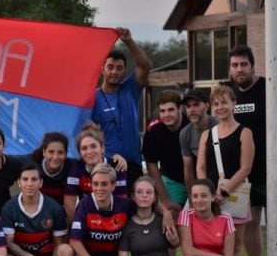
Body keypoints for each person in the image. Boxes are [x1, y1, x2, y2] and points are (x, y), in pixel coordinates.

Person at [196, 85, 253, 256]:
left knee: (236, 243)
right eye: (216, 103)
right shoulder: (207, 135)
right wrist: (207, 192)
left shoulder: (244, 133)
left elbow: (245, 167)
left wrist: (224, 191)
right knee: (210, 241)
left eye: (224, 103)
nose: (220, 107)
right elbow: (200, 166)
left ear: (233, 104)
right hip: (210, 197)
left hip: (234, 196)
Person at [1, 163, 68, 256]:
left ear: (41, 183)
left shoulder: (54, 208)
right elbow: (8, 242)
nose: (29, 184)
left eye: (34, 179)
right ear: (19, 182)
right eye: (25, 179)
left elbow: (59, 246)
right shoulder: (9, 208)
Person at [227, 45, 267, 256]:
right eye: (234, 65)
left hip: (273, 170)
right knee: (250, 226)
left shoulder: (268, 88)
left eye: (243, 64)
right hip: (244, 175)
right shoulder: (230, 96)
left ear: (253, 66)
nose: (239, 69)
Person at [91, 27, 152, 189]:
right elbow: (88, 134)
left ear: (125, 70)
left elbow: (145, 66)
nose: (114, 72)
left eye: (119, 68)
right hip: (107, 165)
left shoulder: (130, 88)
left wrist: (129, 41)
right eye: (110, 67)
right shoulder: (93, 98)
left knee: (133, 210)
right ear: (102, 69)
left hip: (133, 164)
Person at [64, 122, 127, 223]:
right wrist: (78, 226)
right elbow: (69, 204)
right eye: (84, 148)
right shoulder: (75, 168)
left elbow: (122, 203)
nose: (89, 152)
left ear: (102, 148)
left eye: (93, 146)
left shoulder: (117, 166)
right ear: (79, 153)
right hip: (86, 220)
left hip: (113, 221)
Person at [141, 90, 188, 218]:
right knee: (171, 215)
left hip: (195, 178)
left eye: (171, 110)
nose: (166, 115)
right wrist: (165, 200)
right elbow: (151, 164)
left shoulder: (191, 125)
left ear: (180, 109)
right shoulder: (154, 129)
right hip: (171, 180)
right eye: (162, 111)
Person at [179, 89, 217, 191]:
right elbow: (188, 171)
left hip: (225, 185)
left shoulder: (219, 126)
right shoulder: (185, 133)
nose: (192, 109)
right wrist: (192, 198)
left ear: (207, 106)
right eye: (188, 106)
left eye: (196, 105)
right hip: (203, 187)